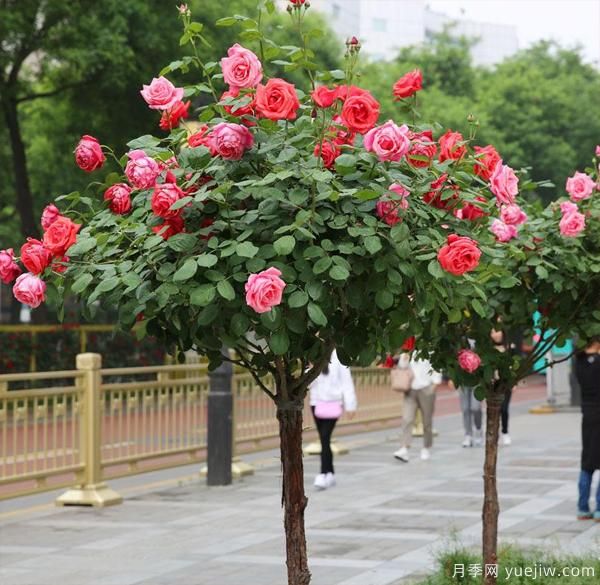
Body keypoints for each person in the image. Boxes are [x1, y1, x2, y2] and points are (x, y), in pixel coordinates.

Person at [309, 350, 357, 490]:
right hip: (316, 403)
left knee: (324, 437)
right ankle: (330, 473)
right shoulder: (313, 353)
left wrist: (350, 405)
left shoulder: (340, 355)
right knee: (324, 439)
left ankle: (323, 473)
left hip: (334, 403)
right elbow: (308, 384)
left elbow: (346, 382)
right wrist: (310, 369)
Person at [393, 354, 442, 462]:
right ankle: (404, 448)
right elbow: (402, 367)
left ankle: (426, 447)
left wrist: (435, 384)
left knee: (427, 421)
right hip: (410, 389)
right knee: (407, 418)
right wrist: (404, 359)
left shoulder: (430, 349)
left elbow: (437, 366)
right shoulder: (409, 350)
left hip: (427, 388)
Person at [574, 338, 600, 520]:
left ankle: (582, 506)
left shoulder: (579, 362)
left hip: (587, 415)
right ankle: (599, 507)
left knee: (587, 463)